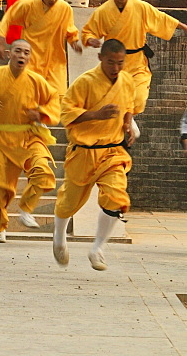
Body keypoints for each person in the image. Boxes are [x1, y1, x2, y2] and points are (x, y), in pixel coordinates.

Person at [52, 38, 136, 271]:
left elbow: (129, 107)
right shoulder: (85, 82)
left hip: (112, 151)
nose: (116, 68)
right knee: (69, 201)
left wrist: (127, 124)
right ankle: (59, 236)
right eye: (111, 62)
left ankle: (97, 247)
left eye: (120, 63)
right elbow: (67, 113)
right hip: (84, 152)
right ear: (100, 58)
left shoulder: (127, 81)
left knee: (117, 198)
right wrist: (96, 115)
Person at [0, 40, 60, 241]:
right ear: (9, 54)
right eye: (18, 51)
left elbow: (53, 99)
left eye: (26, 52)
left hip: (29, 136)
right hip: (1, 138)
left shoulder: (36, 80)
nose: (22, 55)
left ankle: (26, 208)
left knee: (43, 171)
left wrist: (41, 113)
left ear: (30, 57)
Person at [81, 0, 186, 125]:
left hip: (137, 62)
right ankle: (124, 122)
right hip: (114, 64)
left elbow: (160, 18)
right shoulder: (103, 11)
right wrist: (91, 40)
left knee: (139, 96)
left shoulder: (140, 7)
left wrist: (183, 26)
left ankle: (128, 119)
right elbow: (88, 31)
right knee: (111, 98)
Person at [0, 0, 82, 95]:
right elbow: (7, 19)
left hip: (54, 58)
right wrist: (0, 43)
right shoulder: (27, 4)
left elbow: (69, 29)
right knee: (26, 94)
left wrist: (74, 42)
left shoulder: (65, 8)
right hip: (31, 56)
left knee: (56, 96)